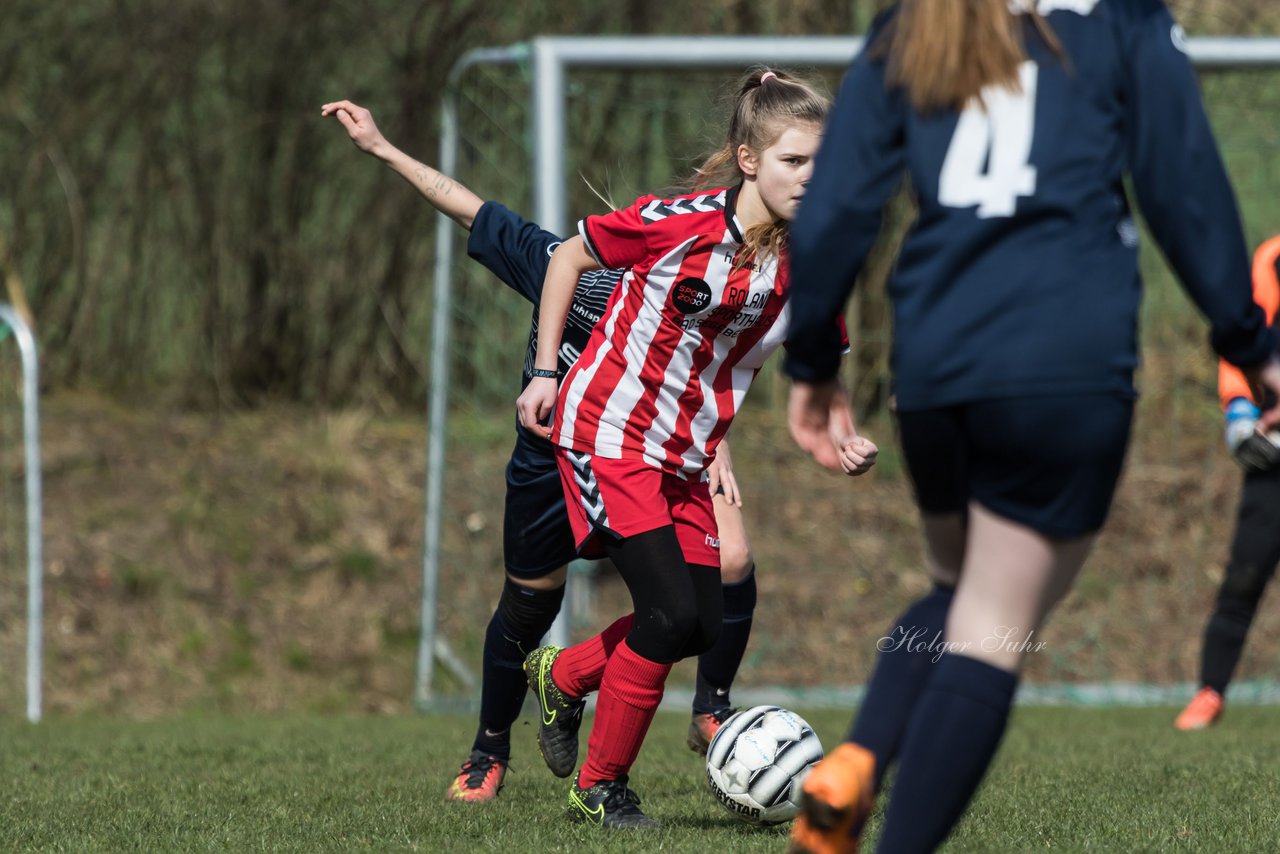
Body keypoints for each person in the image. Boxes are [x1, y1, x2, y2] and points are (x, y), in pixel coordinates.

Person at [780, 2, 1280, 852]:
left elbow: (840, 199)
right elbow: (1181, 182)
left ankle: (859, 754)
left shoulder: (918, 19)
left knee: (956, 587)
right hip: (1066, 357)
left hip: (936, 360)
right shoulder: (1121, 20)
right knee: (995, 624)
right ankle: (875, 794)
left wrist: (815, 358)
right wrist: (1247, 337)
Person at [319, 99, 763, 803]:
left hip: (637, 456)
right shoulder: (568, 264)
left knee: (705, 580)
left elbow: (714, 362)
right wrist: (382, 148)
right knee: (528, 608)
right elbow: (466, 206)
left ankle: (707, 710)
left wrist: (716, 445)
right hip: (547, 463)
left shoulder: (689, 284)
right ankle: (489, 748)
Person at [515, 68, 875, 830]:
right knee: (670, 612)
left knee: (703, 625)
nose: (813, 179)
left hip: (683, 452)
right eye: (795, 162)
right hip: (608, 430)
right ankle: (598, 787)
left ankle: (564, 672)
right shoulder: (675, 222)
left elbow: (820, 364)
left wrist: (839, 436)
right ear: (749, 160)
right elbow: (567, 258)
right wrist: (546, 370)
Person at [1175, 234, 1280, 731]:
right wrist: (1239, 410)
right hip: (1277, 452)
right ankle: (1209, 693)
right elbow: (1246, 334)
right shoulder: (1273, 257)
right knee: (1244, 575)